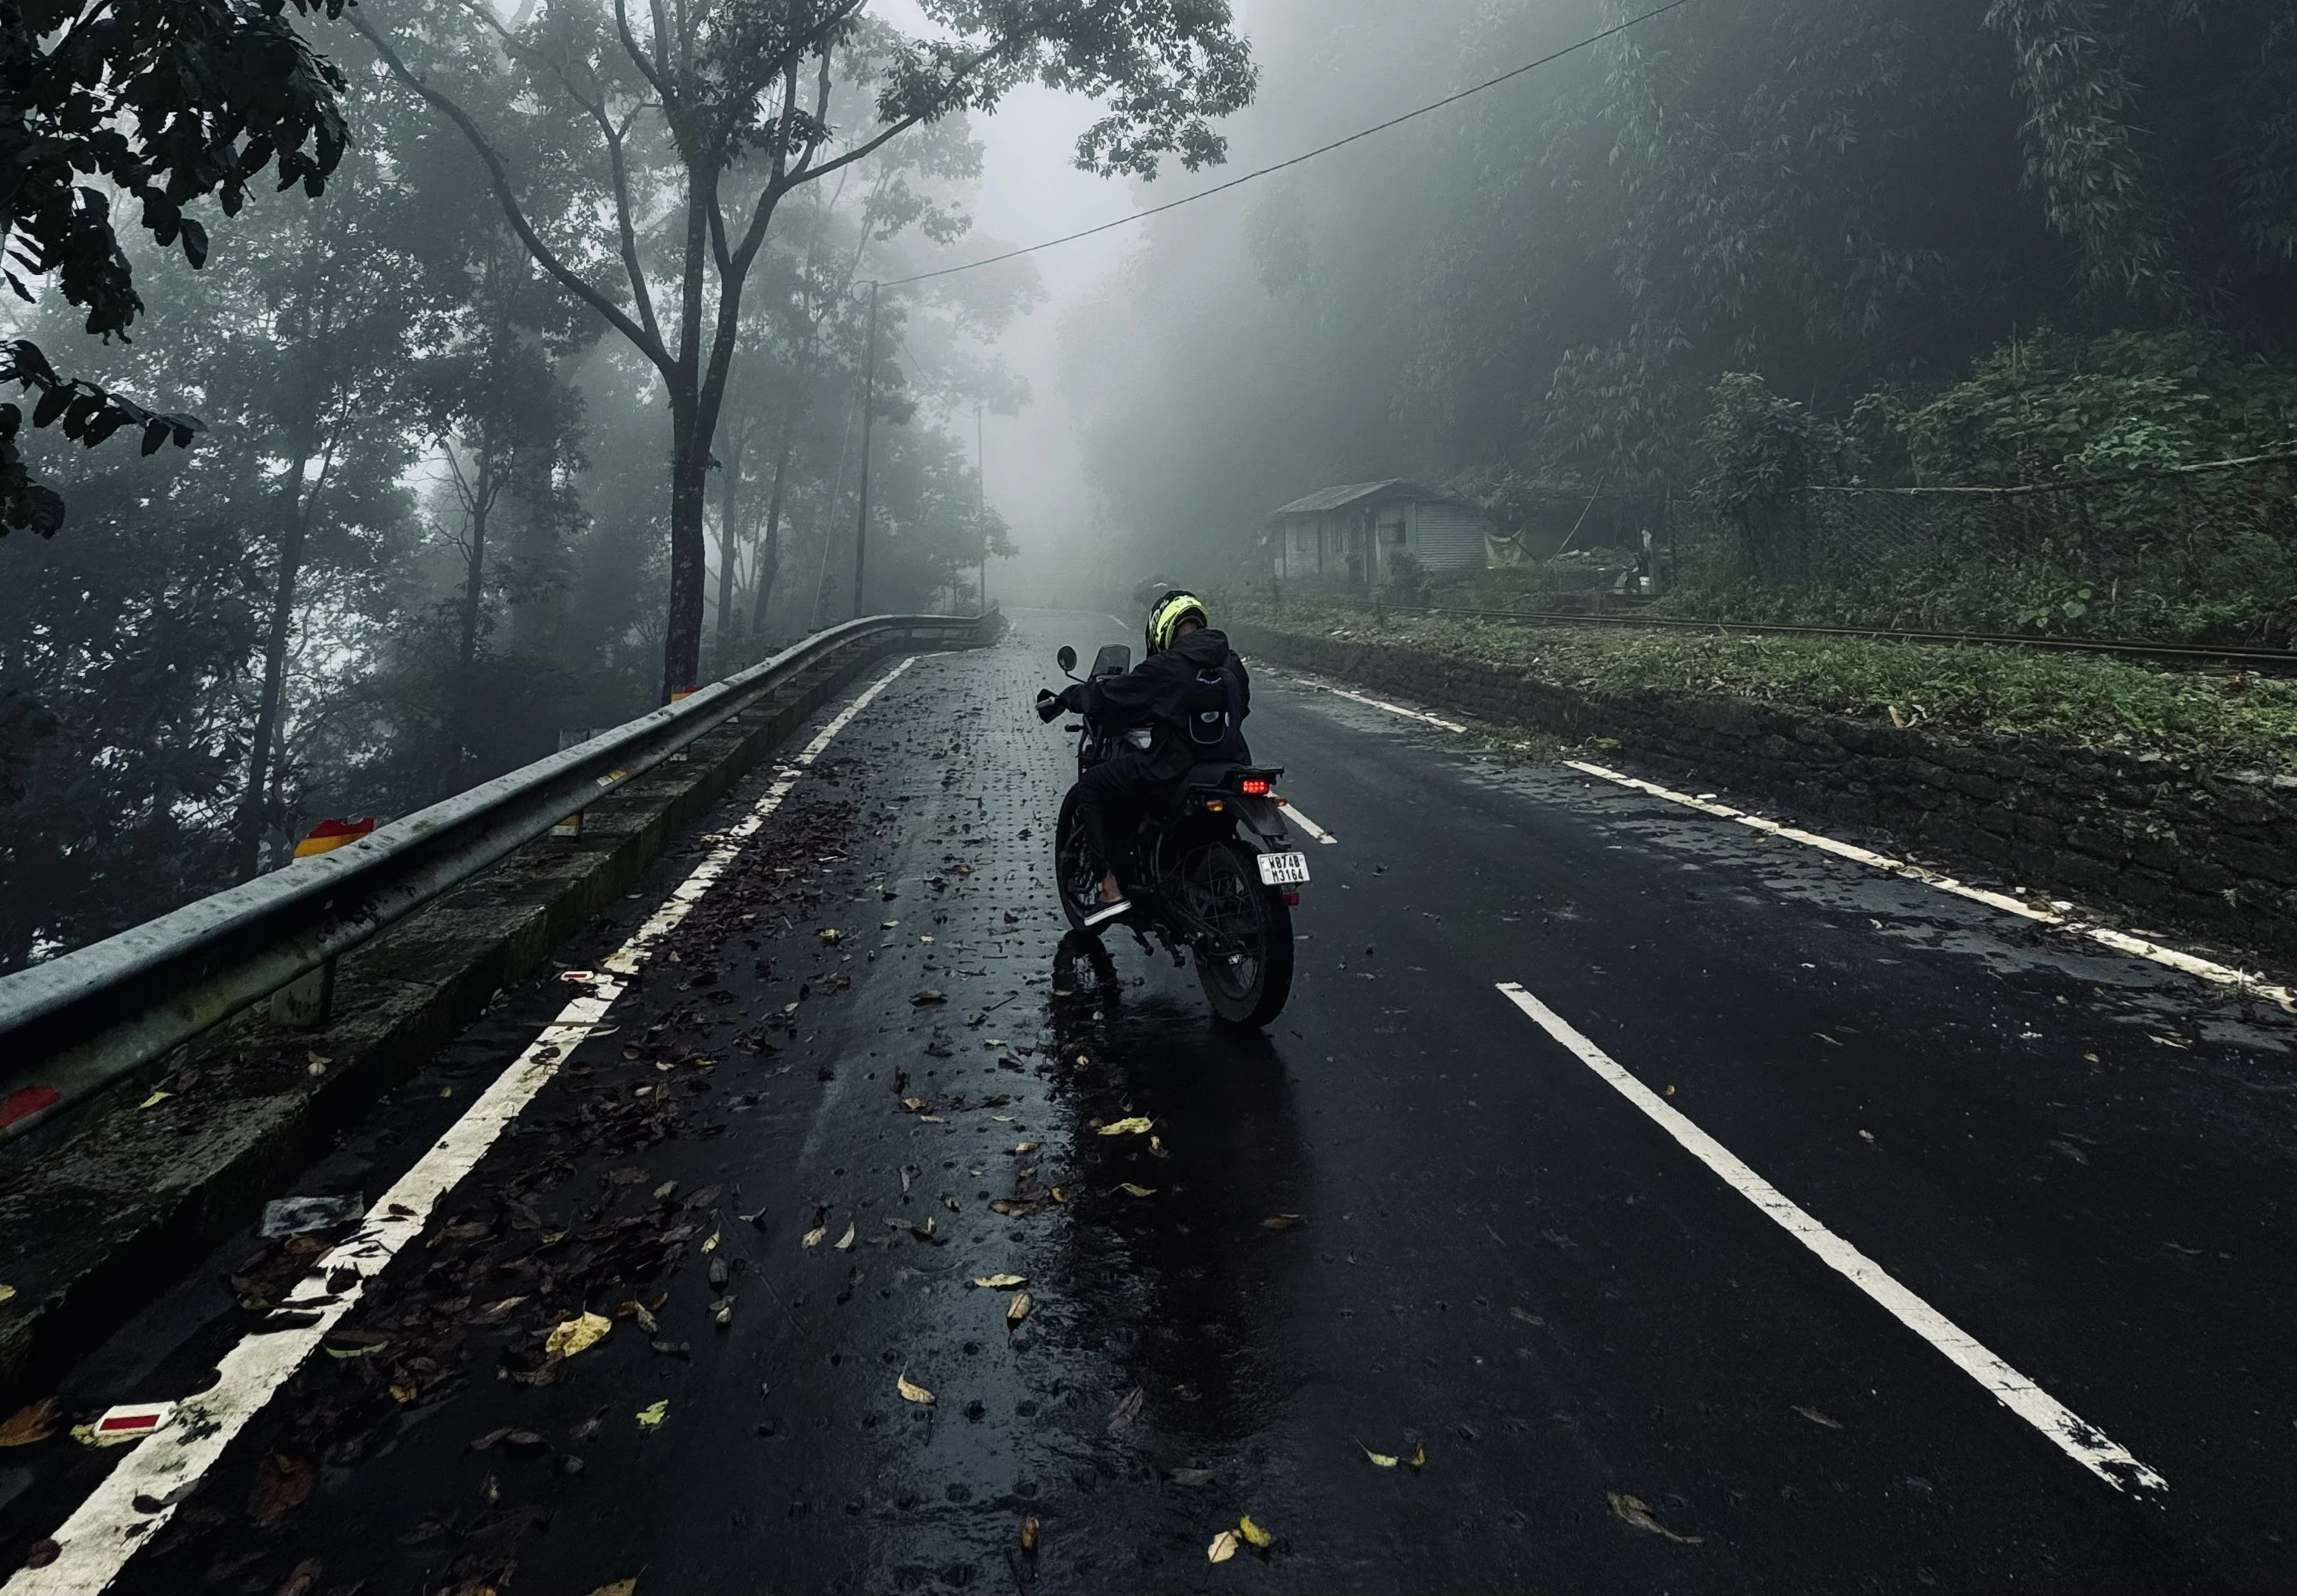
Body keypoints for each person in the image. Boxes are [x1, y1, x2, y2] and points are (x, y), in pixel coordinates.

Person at [1040, 589, 1252, 928]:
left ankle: (1110, 890)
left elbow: (1111, 697)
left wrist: (1069, 697)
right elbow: (1241, 704)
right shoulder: (1232, 662)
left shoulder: (1167, 666)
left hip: (1173, 767)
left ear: (1161, 630)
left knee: (1092, 786)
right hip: (1231, 765)